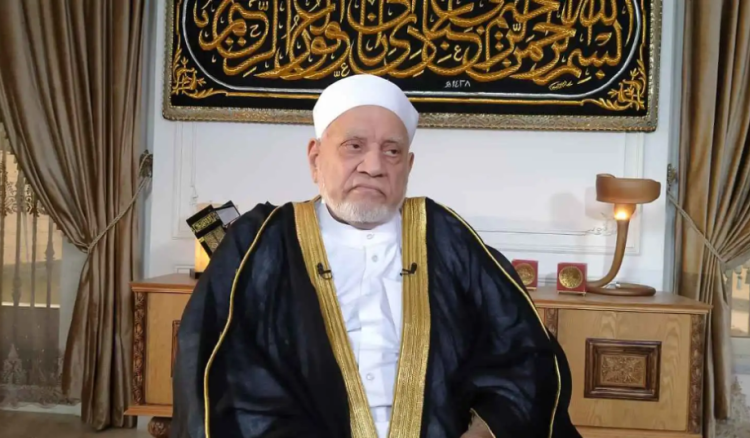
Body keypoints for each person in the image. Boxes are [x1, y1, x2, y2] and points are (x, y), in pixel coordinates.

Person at [170, 74, 581, 438]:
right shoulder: (263, 242)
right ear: (315, 159)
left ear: (409, 165)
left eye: (392, 151)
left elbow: (525, 355)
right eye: (354, 146)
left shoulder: (446, 238)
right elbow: (226, 376)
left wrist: (484, 433)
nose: (373, 166)